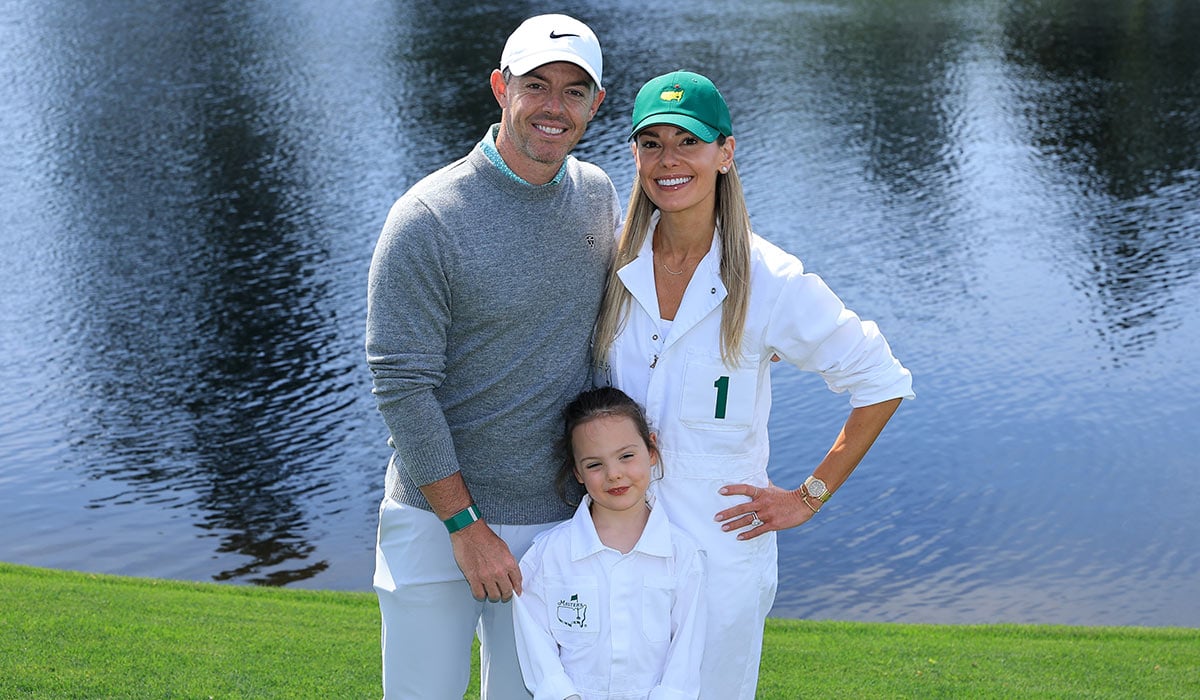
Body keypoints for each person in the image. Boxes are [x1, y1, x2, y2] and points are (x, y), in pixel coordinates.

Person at [592, 70, 915, 699]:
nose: (669, 160)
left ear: (725, 153)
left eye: (687, 142)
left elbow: (880, 379)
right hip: (618, 548)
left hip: (721, 559)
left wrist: (809, 495)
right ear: (634, 156)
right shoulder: (610, 264)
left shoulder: (771, 280)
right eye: (651, 142)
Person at [365, 14, 619, 699]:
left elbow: (643, 304)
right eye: (536, 85)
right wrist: (464, 526)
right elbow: (401, 384)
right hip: (434, 520)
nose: (553, 107)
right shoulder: (427, 218)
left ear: (596, 105)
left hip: (556, 527)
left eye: (574, 91)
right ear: (501, 87)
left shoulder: (598, 196)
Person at [513, 386, 706, 700]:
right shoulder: (547, 556)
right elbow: (538, 649)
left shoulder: (682, 555)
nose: (614, 474)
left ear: (652, 451)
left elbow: (686, 651)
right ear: (578, 472)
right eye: (594, 465)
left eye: (626, 456)